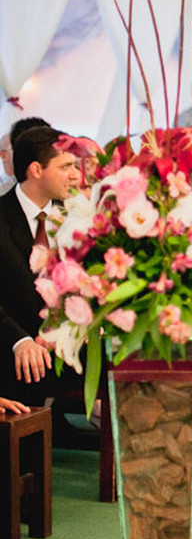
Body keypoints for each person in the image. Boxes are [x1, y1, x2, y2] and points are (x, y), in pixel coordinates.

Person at [0, 126, 81, 405]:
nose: (76, 175)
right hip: (16, 346)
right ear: (36, 170)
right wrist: (19, 341)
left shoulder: (77, 217)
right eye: (66, 166)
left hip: (75, 344)